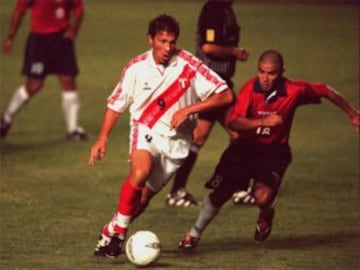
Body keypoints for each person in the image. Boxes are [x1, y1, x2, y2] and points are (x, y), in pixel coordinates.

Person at [178, 49, 360, 249]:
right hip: (244, 149)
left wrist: (351, 113)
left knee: (262, 197)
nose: (265, 78)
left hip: (274, 152)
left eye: (271, 73)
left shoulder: (294, 90)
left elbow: (326, 90)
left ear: (282, 72)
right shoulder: (250, 89)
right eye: (261, 72)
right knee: (220, 194)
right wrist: (262, 122)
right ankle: (193, 235)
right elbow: (234, 123)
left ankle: (267, 213)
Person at [88, 14, 234, 258]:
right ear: (151, 39)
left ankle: (110, 230)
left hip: (177, 144)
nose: (168, 48)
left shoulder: (189, 64)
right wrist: (103, 137)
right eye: (163, 41)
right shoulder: (135, 67)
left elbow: (225, 95)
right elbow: (116, 104)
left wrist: (189, 109)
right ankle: (121, 233)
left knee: (142, 201)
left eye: (172, 42)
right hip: (145, 129)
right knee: (140, 172)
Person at [166, 0, 253, 207]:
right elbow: (208, 47)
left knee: (231, 134)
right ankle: (178, 192)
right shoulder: (213, 11)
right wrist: (235, 53)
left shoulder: (226, 10)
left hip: (221, 83)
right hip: (210, 85)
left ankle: (238, 189)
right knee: (228, 133)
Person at [0, 0, 87, 140]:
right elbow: (19, 11)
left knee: (68, 81)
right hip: (40, 41)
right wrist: (11, 36)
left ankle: (73, 129)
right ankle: (6, 118)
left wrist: (74, 29)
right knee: (34, 85)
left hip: (62, 39)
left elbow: (79, 9)